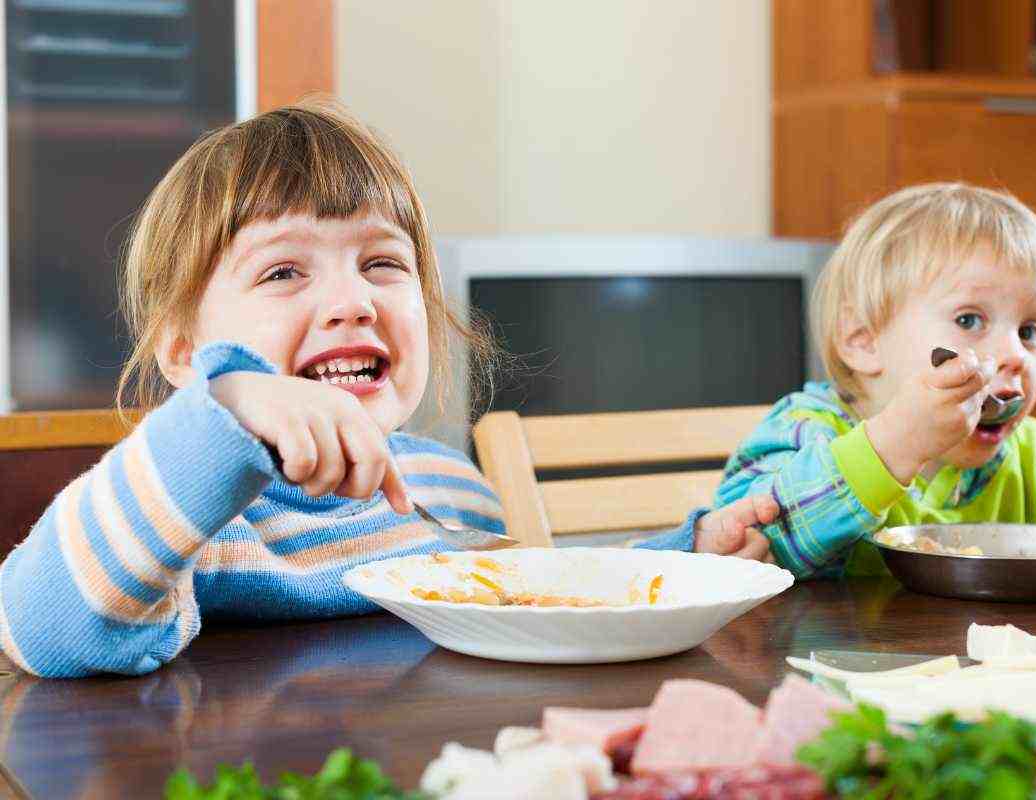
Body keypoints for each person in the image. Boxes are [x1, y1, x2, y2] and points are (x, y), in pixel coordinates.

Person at [0, 101, 777, 678]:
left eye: (382, 264)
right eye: (283, 271)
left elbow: (539, 600)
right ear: (182, 352)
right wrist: (227, 411)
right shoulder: (194, 518)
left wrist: (690, 555)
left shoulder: (451, 485)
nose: (354, 301)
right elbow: (41, 627)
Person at [716, 182, 1036, 579]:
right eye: (969, 320)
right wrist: (894, 445)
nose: (1013, 354)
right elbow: (744, 540)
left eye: (1030, 330)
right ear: (862, 339)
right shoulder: (804, 430)